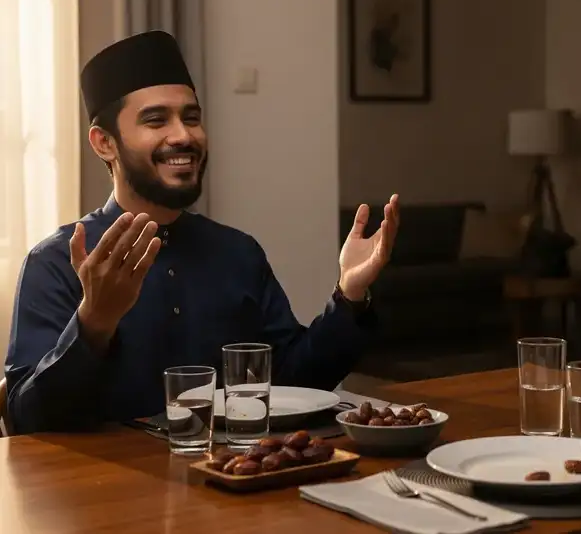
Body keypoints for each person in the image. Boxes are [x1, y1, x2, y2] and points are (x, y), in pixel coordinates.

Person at [3, 30, 400, 435]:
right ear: (105, 143)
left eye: (191, 118)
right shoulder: (57, 261)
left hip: (234, 482)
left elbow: (295, 382)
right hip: (109, 493)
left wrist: (349, 296)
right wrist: (94, 322)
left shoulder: (237, 252)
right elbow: (28, 421)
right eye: (156, 120)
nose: (184, 136)